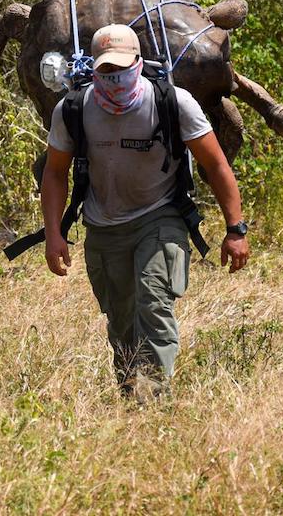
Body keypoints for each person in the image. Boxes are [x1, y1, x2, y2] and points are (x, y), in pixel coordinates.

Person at [41, 23, 249, 399]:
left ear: (138, 62)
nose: (114, 78)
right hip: (103, 226)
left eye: (122, 68)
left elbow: (216, 165)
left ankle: (151, 400)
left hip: (160, 217)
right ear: (94, 67)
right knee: (121, 322)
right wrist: (54, 234)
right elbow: (55, 173)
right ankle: (128, 395)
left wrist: (236, 230)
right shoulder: (73, 109)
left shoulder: (174, 103)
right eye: (106, 70)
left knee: (154, 304)